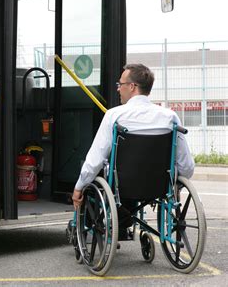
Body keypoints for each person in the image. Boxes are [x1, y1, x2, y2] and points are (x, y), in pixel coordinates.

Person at [71, 63, 195, 238]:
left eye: (120, 85)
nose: (118, 89)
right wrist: (178, 182)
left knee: (93, 171)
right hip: (159, 186)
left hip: (122, 186)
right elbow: (186, 165)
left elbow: (95, 158)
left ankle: (102, 224)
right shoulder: (169, 117)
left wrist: (79, 186)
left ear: (131, 86)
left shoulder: (115, 116)